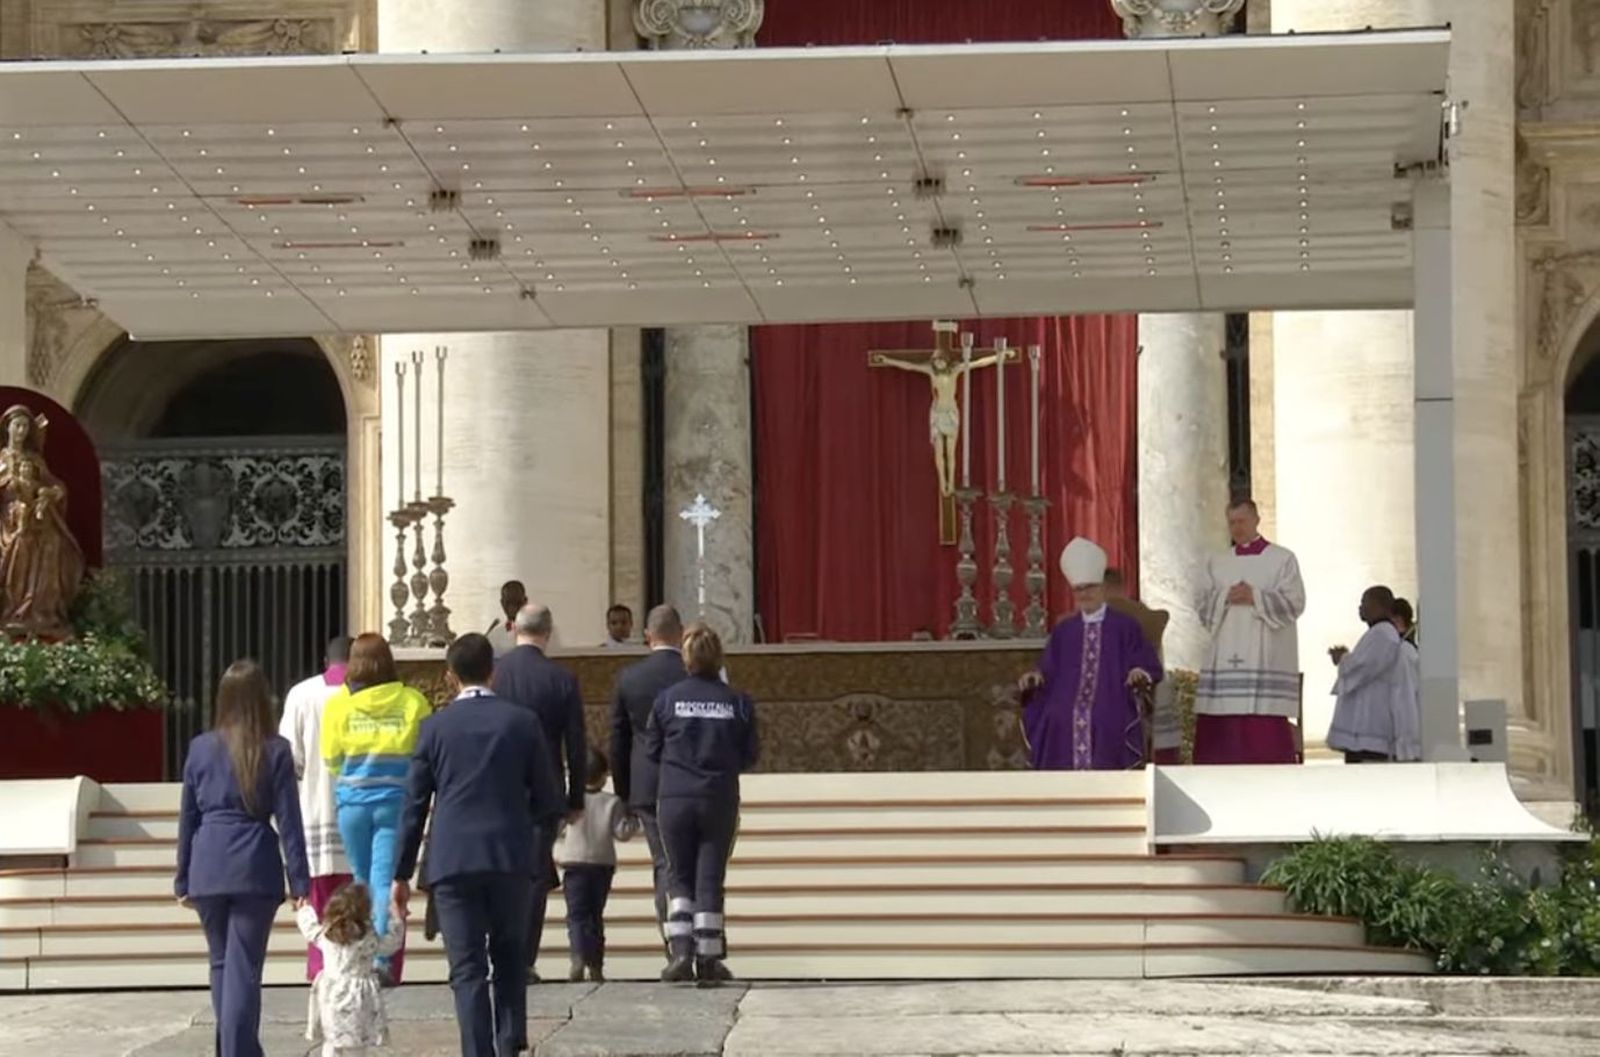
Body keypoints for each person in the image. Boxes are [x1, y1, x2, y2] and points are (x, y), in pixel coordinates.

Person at [392, 633, 565, 1057]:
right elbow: (548, 798)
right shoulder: (522, 722)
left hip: (453, 860)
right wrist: (535, 841)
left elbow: (414, 804)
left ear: (451, 677)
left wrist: (401, 872)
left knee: (466, 967)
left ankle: (477, 1051)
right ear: (494, 671)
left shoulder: (434, 728)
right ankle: (509, 1042)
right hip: (510, 856)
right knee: (509, 957)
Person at [175, 659, 310, 1057]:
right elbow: (289, 821)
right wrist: (299, 881)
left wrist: (182, 877)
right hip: (255, 863)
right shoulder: (275, 750)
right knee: (245, 968)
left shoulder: (200, 748)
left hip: (209, 863)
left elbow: (188, 818)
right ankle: (238, 1050)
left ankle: (237, 1049)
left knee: (221, 964)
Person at [281, 636, 408, 983]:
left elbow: (291, 761)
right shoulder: (395, 697)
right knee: (376, 887)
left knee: (325, 904)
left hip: (322, 812)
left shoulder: (302, 695)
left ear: (327, 660)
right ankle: (383, 964)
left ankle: (323, 972)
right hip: (380, 808)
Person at [643, 622, 759, 985]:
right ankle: (708, 958)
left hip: (675, 797)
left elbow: (652, 748)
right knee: (710, 875)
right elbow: (750, 754)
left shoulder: (667, 700)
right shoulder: (738, 702)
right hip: (718, 797)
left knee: (678, 874)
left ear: (686, 659)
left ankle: (680, 951)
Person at [321, 634, 430, 981]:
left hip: (352, 802)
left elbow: (331, 759)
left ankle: (358, 951)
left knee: (361, 879)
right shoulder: (413, 702)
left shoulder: (339, 706)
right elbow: (422, 754)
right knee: (384, 880)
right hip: (395, 803)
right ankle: (381, 960)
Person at [491, 601, 587, 977]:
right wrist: (575, 797)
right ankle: (523, 958)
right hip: (544, 789)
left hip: (497, 785)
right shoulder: (561, 679)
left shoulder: (496, 674)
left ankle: (498, 950)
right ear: (547, 632)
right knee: (533, 874)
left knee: (500, 870)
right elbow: (575, 744)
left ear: (514, 628)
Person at [1018, 538, 1161, 771]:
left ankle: (1110, 788)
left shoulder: (1125, 626)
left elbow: (1143, 658)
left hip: (1112, 694)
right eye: (1079, 589)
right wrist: (1036, 676)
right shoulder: (1064, 630)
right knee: (1055, 717)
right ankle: (1060, 788)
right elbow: (1049, 667)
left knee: (1104, 716)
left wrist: (1138, 670)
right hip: (1066, 698)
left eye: (1090, 587)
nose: (1084, 594)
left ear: (1102, 588)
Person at [1193, 498, 1307, 764]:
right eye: (1232, 522)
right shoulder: (1217, 561)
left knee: (1261, 730)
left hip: (1265, 660)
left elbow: (1295, 602)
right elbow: (1201, 604)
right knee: (1222, 730)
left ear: (1257, 519)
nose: (1237, 527)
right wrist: (1225, 596)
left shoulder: (1282, 559)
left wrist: (1256, 597)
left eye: (1242, 521)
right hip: (1224, 657)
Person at [608, 603, 687, 931]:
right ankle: (699, 936)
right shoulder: (693, 673)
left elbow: (618, 741)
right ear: (681, 634)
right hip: (691, 782)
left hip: (648, 783)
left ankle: (672, 936)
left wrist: (624, 795)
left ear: (647, 636)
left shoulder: (630, 678)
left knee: (663, 862)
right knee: (695, 864)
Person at [555, 746, 640, 982]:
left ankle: (577, 957)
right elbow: (622, 833)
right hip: (602, 864)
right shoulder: (612, 802)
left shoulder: (572, 802)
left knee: (576, 915)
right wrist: (633, 820)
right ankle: (596, 963)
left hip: (574, 862)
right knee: (595, 915)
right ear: (605, 775)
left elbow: (557, 828)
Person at [297, 882, 405, 1057]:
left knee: (331, 1042)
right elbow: (392, 943)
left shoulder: (327, 935)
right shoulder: (368, 939)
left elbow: (309, 929)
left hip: (331, 995)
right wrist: (396, 918)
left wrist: (304, 909)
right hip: (359, 998)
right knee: (357, 1045)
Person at [1327, 586, 1420, 763]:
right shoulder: (1378, 633)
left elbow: (1364, 668)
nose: (1360, 608)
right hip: (1366, 731)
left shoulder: (1383, 634)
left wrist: (1343, 658)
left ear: (1379, 605)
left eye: (1364, 602)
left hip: (1370, 729)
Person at [484, 580, 527, 658]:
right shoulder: (494, 635)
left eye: (517, 602)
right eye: (508, 603)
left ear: (525, 601)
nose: (512, 608)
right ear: (502, 603)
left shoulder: (539, 632)